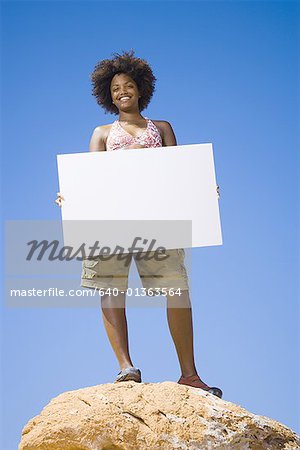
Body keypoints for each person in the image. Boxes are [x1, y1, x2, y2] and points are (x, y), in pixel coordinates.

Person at [56, 50, 222, 398]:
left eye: (128, 85)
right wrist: (70, 195)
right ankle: (125, 366)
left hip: (157, 219)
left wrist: (203, 188)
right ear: (108, 94)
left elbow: (180, 172)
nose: (122, 92)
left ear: (141, 89)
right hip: (112, 220)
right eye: (115, 88)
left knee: (177, 290)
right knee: (111, 289)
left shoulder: (161, 128)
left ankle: (189, 374)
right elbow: (92, 178)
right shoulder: (102, 133)